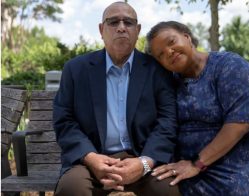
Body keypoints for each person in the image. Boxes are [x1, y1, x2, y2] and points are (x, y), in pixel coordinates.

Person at [146, 21, 249, 195]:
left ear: (187, 37)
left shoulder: (229, 66)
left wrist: (196, 163)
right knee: (156, 184)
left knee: (239, 191)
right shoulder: (170, 83)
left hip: (248, 160)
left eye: (171, 42)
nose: (169, 52)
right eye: (160, 55)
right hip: (197, 167)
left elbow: (242, 122)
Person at [53, 3, 180, 196]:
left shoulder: (158, 71)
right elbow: (64, 120)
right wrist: (91, 157)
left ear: (137, 31)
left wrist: (144, 162)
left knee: (167, 190)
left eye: (128, 22)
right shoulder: (76, 70)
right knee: (71, 189)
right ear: (101, 30)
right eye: (113, 22)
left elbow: (167, 122)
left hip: (143, 159)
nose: (121, 27)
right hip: (91, 160)